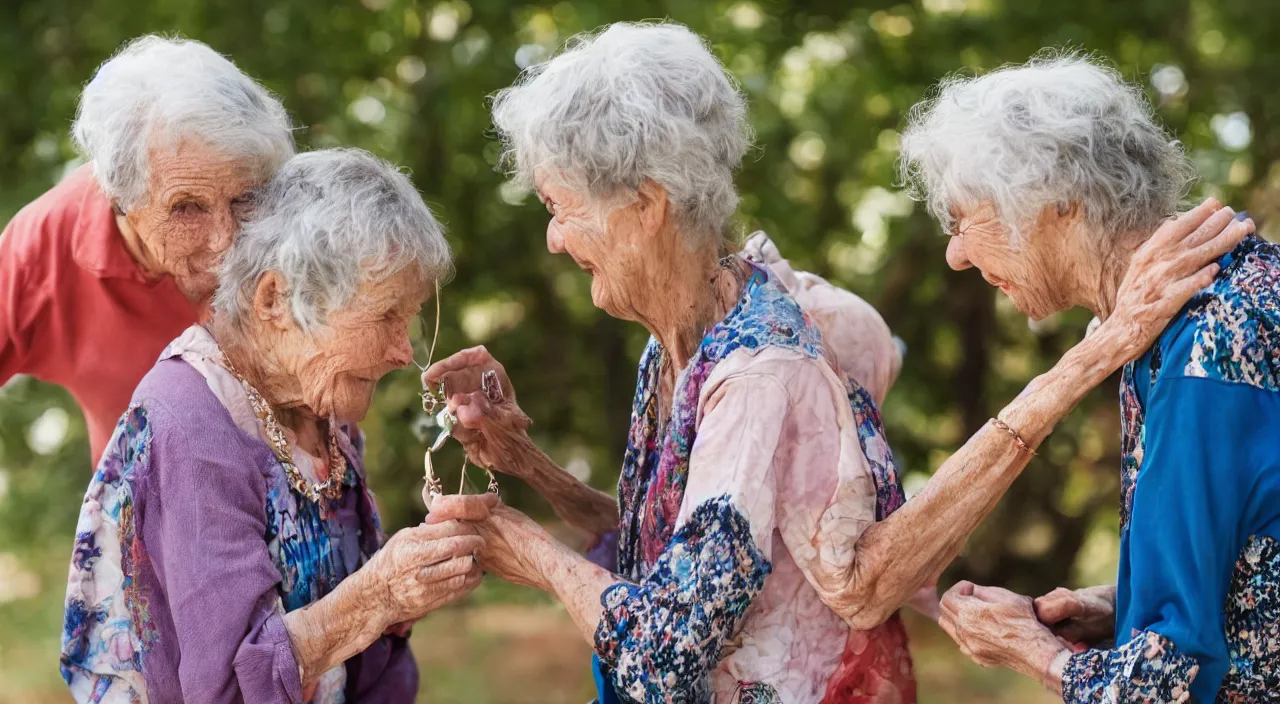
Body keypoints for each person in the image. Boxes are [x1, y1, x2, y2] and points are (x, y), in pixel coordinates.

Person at [420, 23, 1247, 703]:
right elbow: (674, 545)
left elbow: (669, 645)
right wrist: (527, 465)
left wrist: (519, 545)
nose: (554, 237)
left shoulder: (758, 367)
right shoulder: (679, 337)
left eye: (562, 208)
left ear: (645, 205)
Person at [897, 54, 1277, 702]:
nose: (955, 254)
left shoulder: (1205, 344)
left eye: (964, 218)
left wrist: (1032, 650)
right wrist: (1122, 603)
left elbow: (1165, 686)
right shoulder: (1218, 298)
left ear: (1057, 199)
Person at [60, 149, 484, 703]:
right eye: (385, 316)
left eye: (408, 321)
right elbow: (227, 687)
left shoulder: (321, 410)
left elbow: (361, 656)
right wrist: (379, 595)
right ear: (274, 299)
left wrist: (410, 587)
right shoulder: (191, 425)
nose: (404, 352)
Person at [0, 35, 294, 462]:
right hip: (152, 509)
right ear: (121, 199)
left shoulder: (282, 210)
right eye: (187, 208)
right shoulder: (42, 250)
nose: (226, 239)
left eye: (242, 200)